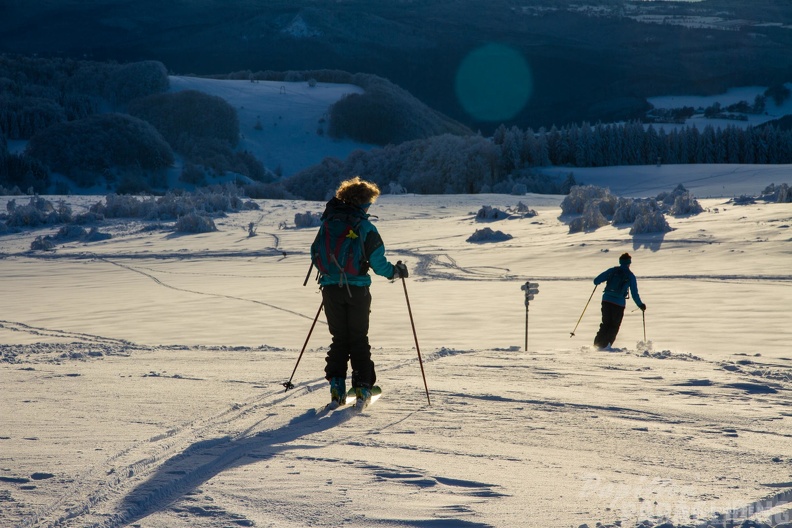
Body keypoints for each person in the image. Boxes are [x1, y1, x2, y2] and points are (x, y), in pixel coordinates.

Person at [313, 177, 407, 408]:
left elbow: (315, 254)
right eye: (369, 203)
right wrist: (396, 272)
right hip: (357, 290)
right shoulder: (365, 227)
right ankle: (363, 387)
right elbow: (379, 264)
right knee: (358, 338)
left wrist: (333, 274)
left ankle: (337, 387)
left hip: (330, 289)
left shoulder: (328, 223)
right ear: (363, 203)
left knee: (339, 339)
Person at [592, 252, 646, 349]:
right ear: (629, 263)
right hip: (618, 304)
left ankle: (596, 345)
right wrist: (640, 305)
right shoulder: (630, 276)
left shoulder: (612, 270)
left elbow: (596, 280)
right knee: (614, 326)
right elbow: (634, 293)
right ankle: (605, 346)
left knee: (605, 324)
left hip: (606, 300)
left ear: (620, 262)